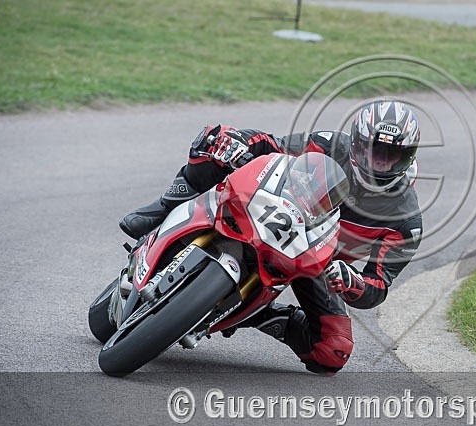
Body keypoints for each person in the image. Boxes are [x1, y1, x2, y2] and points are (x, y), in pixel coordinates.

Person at [119, 101, 423, 375]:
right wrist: (238, 143)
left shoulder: (405, 222)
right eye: (374, 150)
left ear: (408, 158)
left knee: (333, 350)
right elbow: (271, 146)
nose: (379, 162)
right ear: (356, 142)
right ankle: (163, 209)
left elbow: (378, 285)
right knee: (215, 139)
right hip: (279, 209)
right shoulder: (330, 145)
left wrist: (351, 281)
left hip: (317, 264)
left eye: (391, 156)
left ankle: (258, 314)